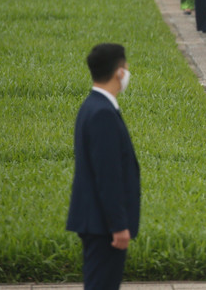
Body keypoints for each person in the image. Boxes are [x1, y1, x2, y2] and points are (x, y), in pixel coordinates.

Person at [66, 43, 140, 290]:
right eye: (126, 66)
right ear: (119, 72)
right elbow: (108, 176)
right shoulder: (102, 114)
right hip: (103, 226)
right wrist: (118, 226)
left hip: (96, 222)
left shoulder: (92, 106)